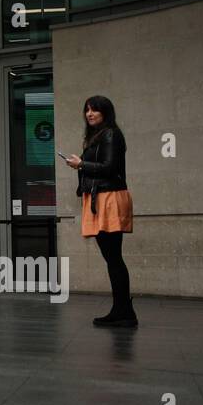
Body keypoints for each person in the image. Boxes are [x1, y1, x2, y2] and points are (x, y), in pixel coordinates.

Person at [64, 96, 136, 327]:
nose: (89, 113)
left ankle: (123, 310)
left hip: (109, 197)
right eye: (86, 109)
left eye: (95, 109)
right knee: (111, 257)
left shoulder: (111, 134)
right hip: (99, 197)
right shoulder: (97, 136)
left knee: (113, 257)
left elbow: (110, 167)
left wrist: (81, 164)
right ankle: (122, 309)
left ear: (106, 112)